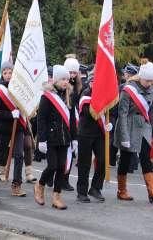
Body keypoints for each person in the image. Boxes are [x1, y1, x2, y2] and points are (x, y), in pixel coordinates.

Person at [34, 65, 77, 210]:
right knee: (52, 166)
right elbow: (41, 119)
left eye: (67, 79)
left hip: (65, 138)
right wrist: (42, 140)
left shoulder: (69, 95)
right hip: (51, 138)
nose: (66, 82)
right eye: (63, 79)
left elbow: (71, 120)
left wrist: (74, 138)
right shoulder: (47, 97)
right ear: (56, 80)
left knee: (61, 167)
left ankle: (56, 197)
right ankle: (39, 186)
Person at [114, 61, 153, 204]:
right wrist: (124, 136)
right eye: (147, 80)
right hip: (129, 126)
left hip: (144, 127)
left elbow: (152, 113)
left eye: (152, 81)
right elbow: (122, 114)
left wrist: (152, 134)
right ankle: (122, 190)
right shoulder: (128, 89)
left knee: (146, 158)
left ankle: (152, 192)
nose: (149, 83)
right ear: (140, 77)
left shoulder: (152, 89)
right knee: (125, 158)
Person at [0, 61, 26, 197]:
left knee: (19, 155)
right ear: (2, 75)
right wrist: (10, 114)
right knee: (0, 154)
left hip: (18, 127)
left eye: (10, 72)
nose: (8, 75)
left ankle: (17, 184)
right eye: (5, 73)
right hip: (4, 127)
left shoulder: (20, 89)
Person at [76, 72, 113, 203]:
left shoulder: (105, 96)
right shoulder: (86, 94)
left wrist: (110, 123)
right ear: (90, 83)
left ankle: (96, 188)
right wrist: (101, 107)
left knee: (103, 159)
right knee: (84, 163)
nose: (94, 84)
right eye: (93, 82)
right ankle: (81, 192)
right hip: (85, 133)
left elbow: (112, 111)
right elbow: (89, 113)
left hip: (100, 133)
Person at [62, 56, 82, 191]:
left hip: (73, 119)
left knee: (70, 152)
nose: (72, 76)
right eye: (70, 73)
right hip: (63, 119)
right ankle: (58, 178)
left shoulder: (78, 86)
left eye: (75, 73)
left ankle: (65, 179)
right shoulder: (62, 86)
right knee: (62, 153)